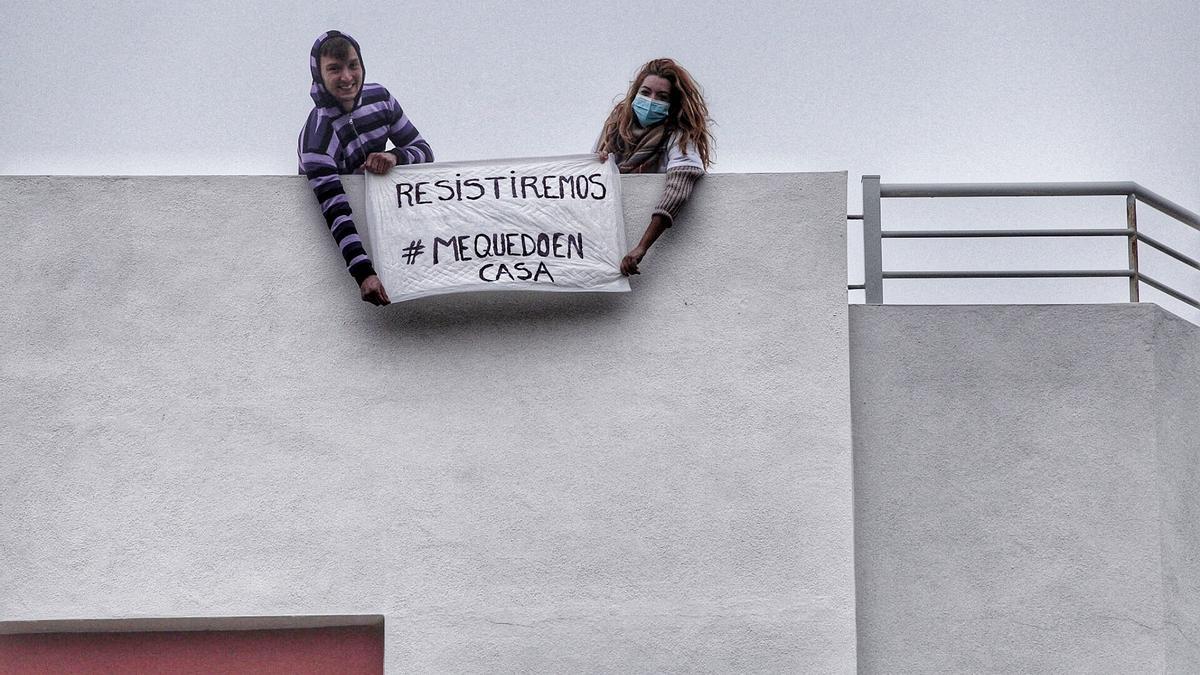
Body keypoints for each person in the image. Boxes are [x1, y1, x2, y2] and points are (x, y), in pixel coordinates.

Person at [298, 30, 434, 306]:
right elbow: (336, 212)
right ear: (319, 75)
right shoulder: (317, 138)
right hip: (343, 230)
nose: (347, 78)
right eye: (334, 69)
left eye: (353, 65)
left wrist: (395, 157)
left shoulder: (381, 98)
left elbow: (424, 151)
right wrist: (364, 274)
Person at [595, 59, 713, 276]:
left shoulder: (680, 137)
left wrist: (642, 247)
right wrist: (600, 165)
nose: (651, 101)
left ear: (673, 104)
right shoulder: (614, 129)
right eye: (646, 92)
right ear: (635, 93)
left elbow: (678, 187)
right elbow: (587, 182)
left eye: (662, 97)